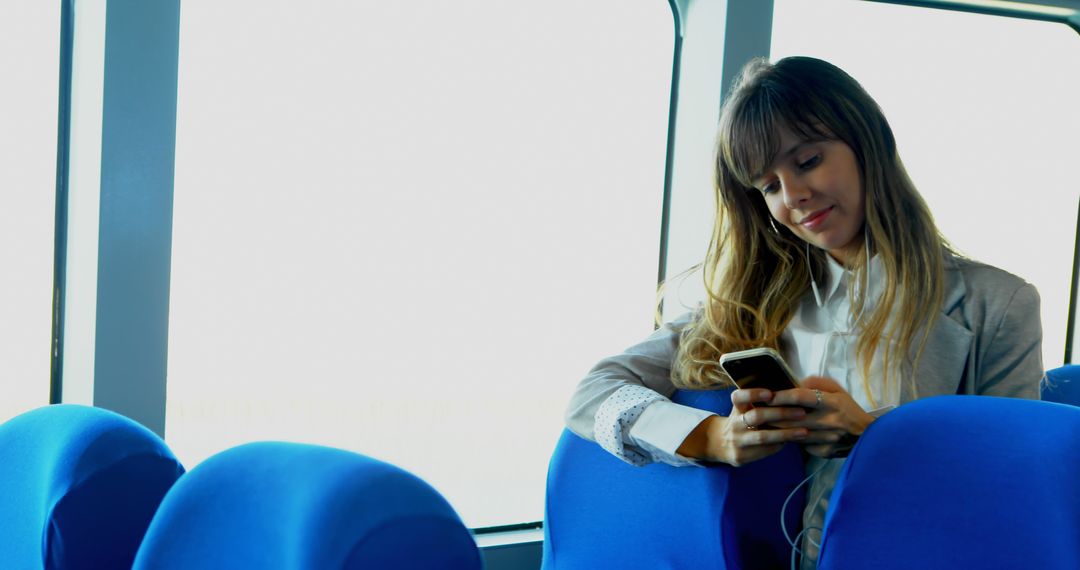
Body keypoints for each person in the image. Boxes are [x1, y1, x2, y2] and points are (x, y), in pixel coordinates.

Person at [565, 56, 1043, 568]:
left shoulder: (999, 304)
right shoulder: (751, 303)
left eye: (808, 161)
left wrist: (870, 437)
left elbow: (1011, 482)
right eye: (768, 186)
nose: (793, 195)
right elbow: (593, 394)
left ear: (867, 141)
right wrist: (710, 436)